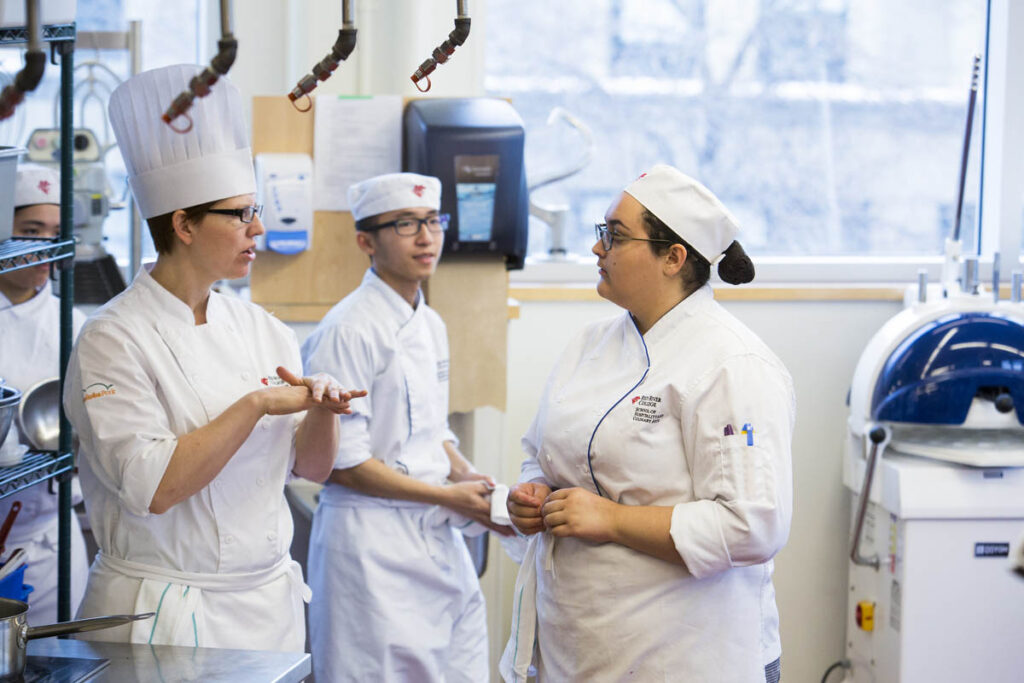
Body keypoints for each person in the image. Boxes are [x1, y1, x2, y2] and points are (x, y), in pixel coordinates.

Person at [62, 64, 363, 651]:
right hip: (162, 614)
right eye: (240, 214)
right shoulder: (112, 338)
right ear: (184, 224)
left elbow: (311, 469)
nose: (259, 227)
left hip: (266, 605)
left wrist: (322, 408)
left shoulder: (261, 327)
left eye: (255, 210)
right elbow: (156, 488)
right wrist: (254, 405)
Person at [503, 164, 795, 682]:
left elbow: (752, 525)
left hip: (685, 655)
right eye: (602, 233)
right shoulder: (589, 345)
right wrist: (532, 492)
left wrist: (611, 519)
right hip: (583, 645)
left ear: (673, 257)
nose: (598, 249)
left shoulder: (732, 364)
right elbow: (540, 450)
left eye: (614, 236)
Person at [302, 172, 509, 682]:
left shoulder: (430, 323)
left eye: (433, 221)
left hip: (434, 537)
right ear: (365, 242)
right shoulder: (349, 329)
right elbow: (342, 466)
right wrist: (447, 497)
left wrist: (467, 477)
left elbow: (434, 429)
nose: (426, 237)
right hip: (370, 547)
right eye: (405, 224)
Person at [0, 164, 89, 622]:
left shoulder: (77, 325)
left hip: (49, 540)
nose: (43, 249)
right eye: (29, 231)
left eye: (55, 234)